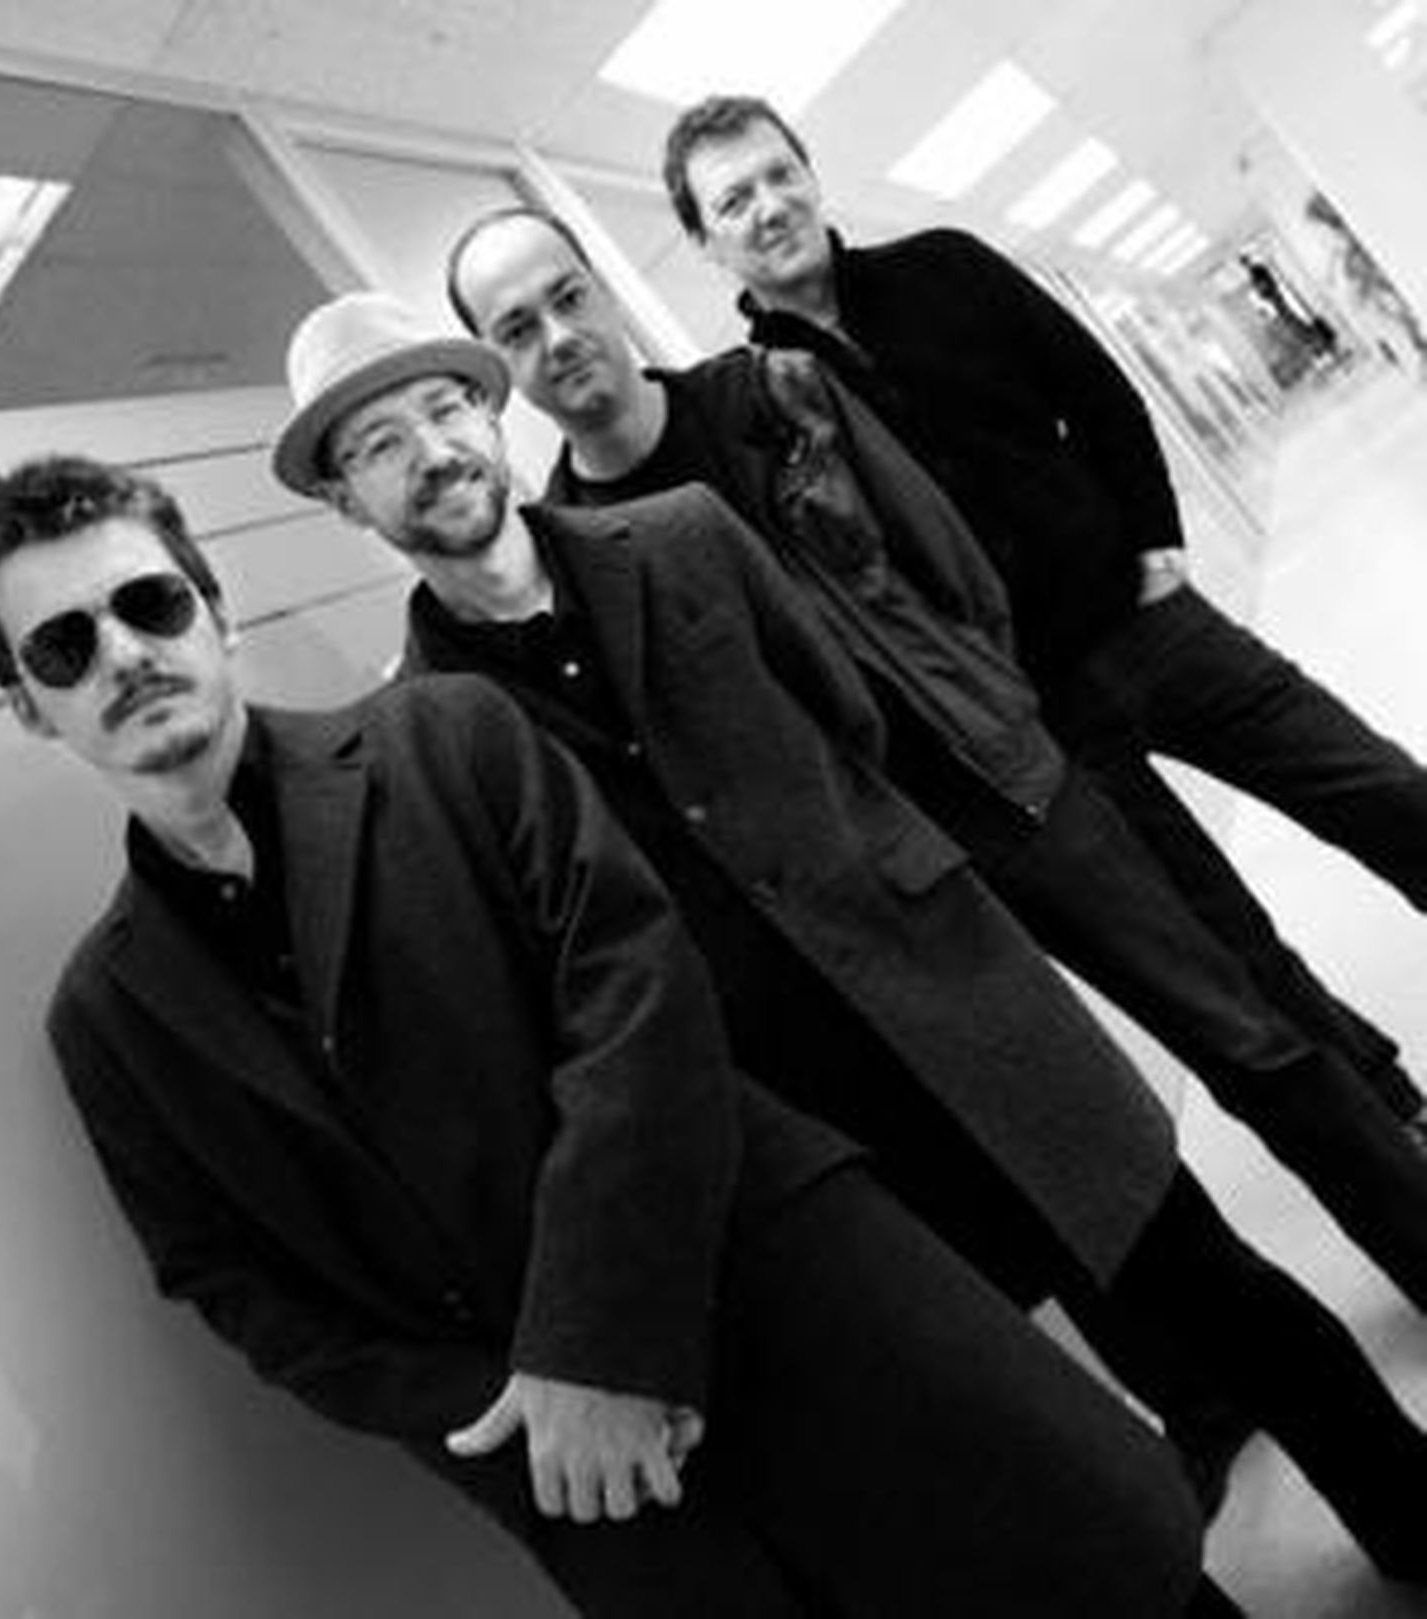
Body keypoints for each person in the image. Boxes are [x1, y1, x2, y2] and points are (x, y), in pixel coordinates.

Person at [270, 288, 1427, 1594]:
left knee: (1229, 1297)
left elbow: (848, 719)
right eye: (379, 445)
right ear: (347, 502)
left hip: (965, 1002)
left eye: (442, 409)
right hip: (812, 1140)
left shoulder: (684, 536)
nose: (430, 453)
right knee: (1024, 1437)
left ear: (490, 415)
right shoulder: (427, 741)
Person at [0, 453, 1217, 1617]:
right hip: (590, 1486)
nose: (124, 654)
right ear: (28, 705)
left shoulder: (449, 737)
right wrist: (511, 1418)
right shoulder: (106, 1017)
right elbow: (236, 1288)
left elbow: (637, 999)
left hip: (790, 1308)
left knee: (1108, 1591)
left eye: (150, 604)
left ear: (215, 614)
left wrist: (589, 1349)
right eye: (62, 645)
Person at [439, 206, 1427, 1338]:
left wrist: (987, 719)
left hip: (1010, 796)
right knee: (1069, 1148)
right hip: (888, 903)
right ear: (497, 372)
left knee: (1245, 1034)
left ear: (603, 289)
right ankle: (1216, 1385)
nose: (557, 336)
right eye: (517, 328)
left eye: (567, 297)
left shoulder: (775, 394)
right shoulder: (579, 551)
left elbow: (954, 571)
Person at [658, 92, 1427, 1144]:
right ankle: (1389, 1107)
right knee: (1228, 939)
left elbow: (1095, 390)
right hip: (1041, 719)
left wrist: (1156, 540)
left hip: (1151, 627)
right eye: (733, 200)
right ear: (705, 242)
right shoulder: (757, 406)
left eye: (777, 174)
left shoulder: (946, 266)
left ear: (810, 174)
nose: (768, 206)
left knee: (1375, 786)